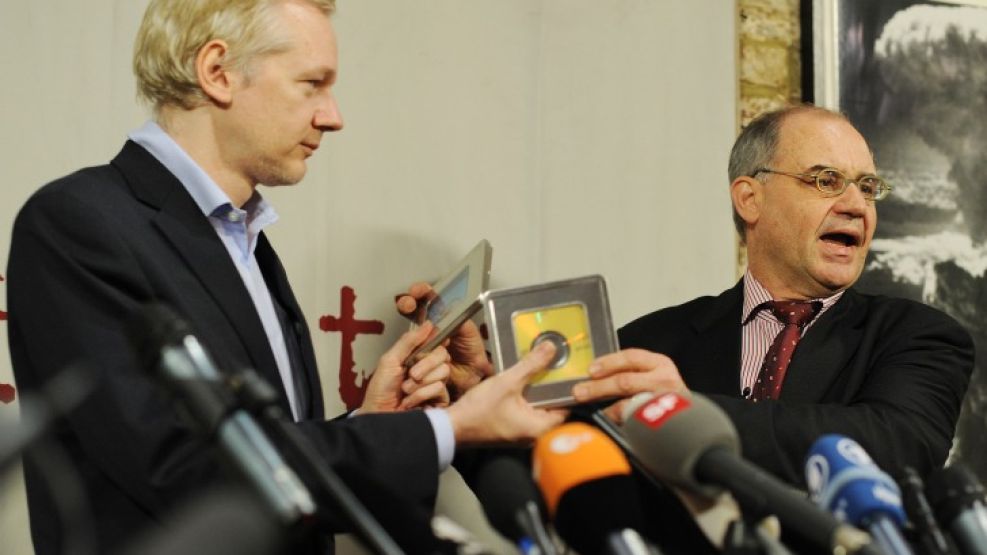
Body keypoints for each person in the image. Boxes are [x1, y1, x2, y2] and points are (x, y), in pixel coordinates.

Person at [5, 1, 565, 553]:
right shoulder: (78, 222)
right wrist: (447, 431)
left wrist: (373, 422)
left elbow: (268, 463)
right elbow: (181, 468)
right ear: (217, 71)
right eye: (312, 84)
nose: (333, 116)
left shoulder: (243, 238)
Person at [401, 105, 973, 523]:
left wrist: (683, 413)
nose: (855, 205)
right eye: (826, 181)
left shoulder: (918, 337)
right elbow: (568, 489)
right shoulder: (649, 344)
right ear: (749, 198)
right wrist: (473, 404)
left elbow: (895, 445)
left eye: (868, 188)